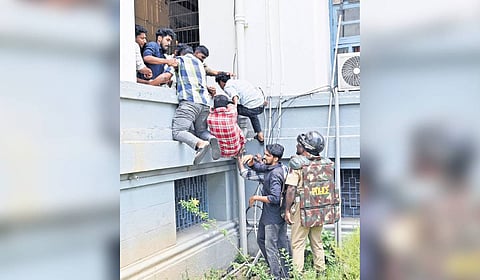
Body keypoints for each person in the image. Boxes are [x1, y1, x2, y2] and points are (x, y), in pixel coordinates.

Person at [148, 44, 221, 165]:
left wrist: (149, 86)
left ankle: (200, 144)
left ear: (177, 53)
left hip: (189, 102)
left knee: (178, 131)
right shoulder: (200, 64)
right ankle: (210, 138)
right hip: (205, 104)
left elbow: (166, 76)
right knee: (201, 130)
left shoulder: (179, 60)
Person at [284, 131, 338, 277]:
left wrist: (287, 210)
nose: (297, 146)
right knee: (317, 242)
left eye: (300, 144)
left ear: (306, 148)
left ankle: (298, 275)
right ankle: (321, 273)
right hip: (319, 208)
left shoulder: (297, 164)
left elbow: (291, 189)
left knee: (298, 244)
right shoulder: (325, 162)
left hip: (302, 209)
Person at [246, 144, 289, 279]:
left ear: (275, 158)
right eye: (265, 154)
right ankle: (281, 271)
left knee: (272, 247)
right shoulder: (276, 166)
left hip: (274, 217)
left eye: (268, 155)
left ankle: (278, 276)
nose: (264, 156)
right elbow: (260, 167)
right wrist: (252, 161)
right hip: (268, 215)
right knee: (262, 240)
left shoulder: (276, 174)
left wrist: (255, 197)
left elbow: (275, 198)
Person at [215, 72, 265, 144]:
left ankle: (230, 132)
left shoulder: (227, 86)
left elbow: (234, 96)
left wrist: (234, 108)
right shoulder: (239, 82)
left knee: (226, 104)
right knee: (251, 112)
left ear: (221, 82)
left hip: (253, 108)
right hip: (260, 105)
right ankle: (260, 134)